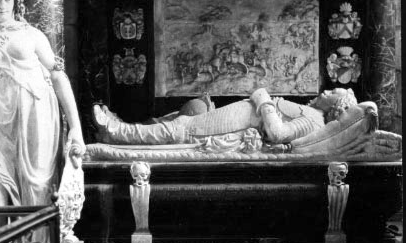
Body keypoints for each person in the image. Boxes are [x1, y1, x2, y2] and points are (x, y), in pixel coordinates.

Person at [0, 0, 85, 207]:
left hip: (36, 116)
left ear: (16, 2)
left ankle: (38, 234)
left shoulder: (31, 34)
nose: (2, 5)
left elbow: (58, 76)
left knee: (37, 189)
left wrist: (76, 128)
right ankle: (2, 235)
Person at [92, 87, 359, 146]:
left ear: (337, 107)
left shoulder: (314, 121)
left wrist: (263, 99)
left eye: (333, 93)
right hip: (237, 116)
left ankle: (116, 133)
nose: (326, 91)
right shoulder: (312, 114)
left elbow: (279, 134)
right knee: (184, 123)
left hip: (236, 125)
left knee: (182, 129)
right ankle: (119, 129)